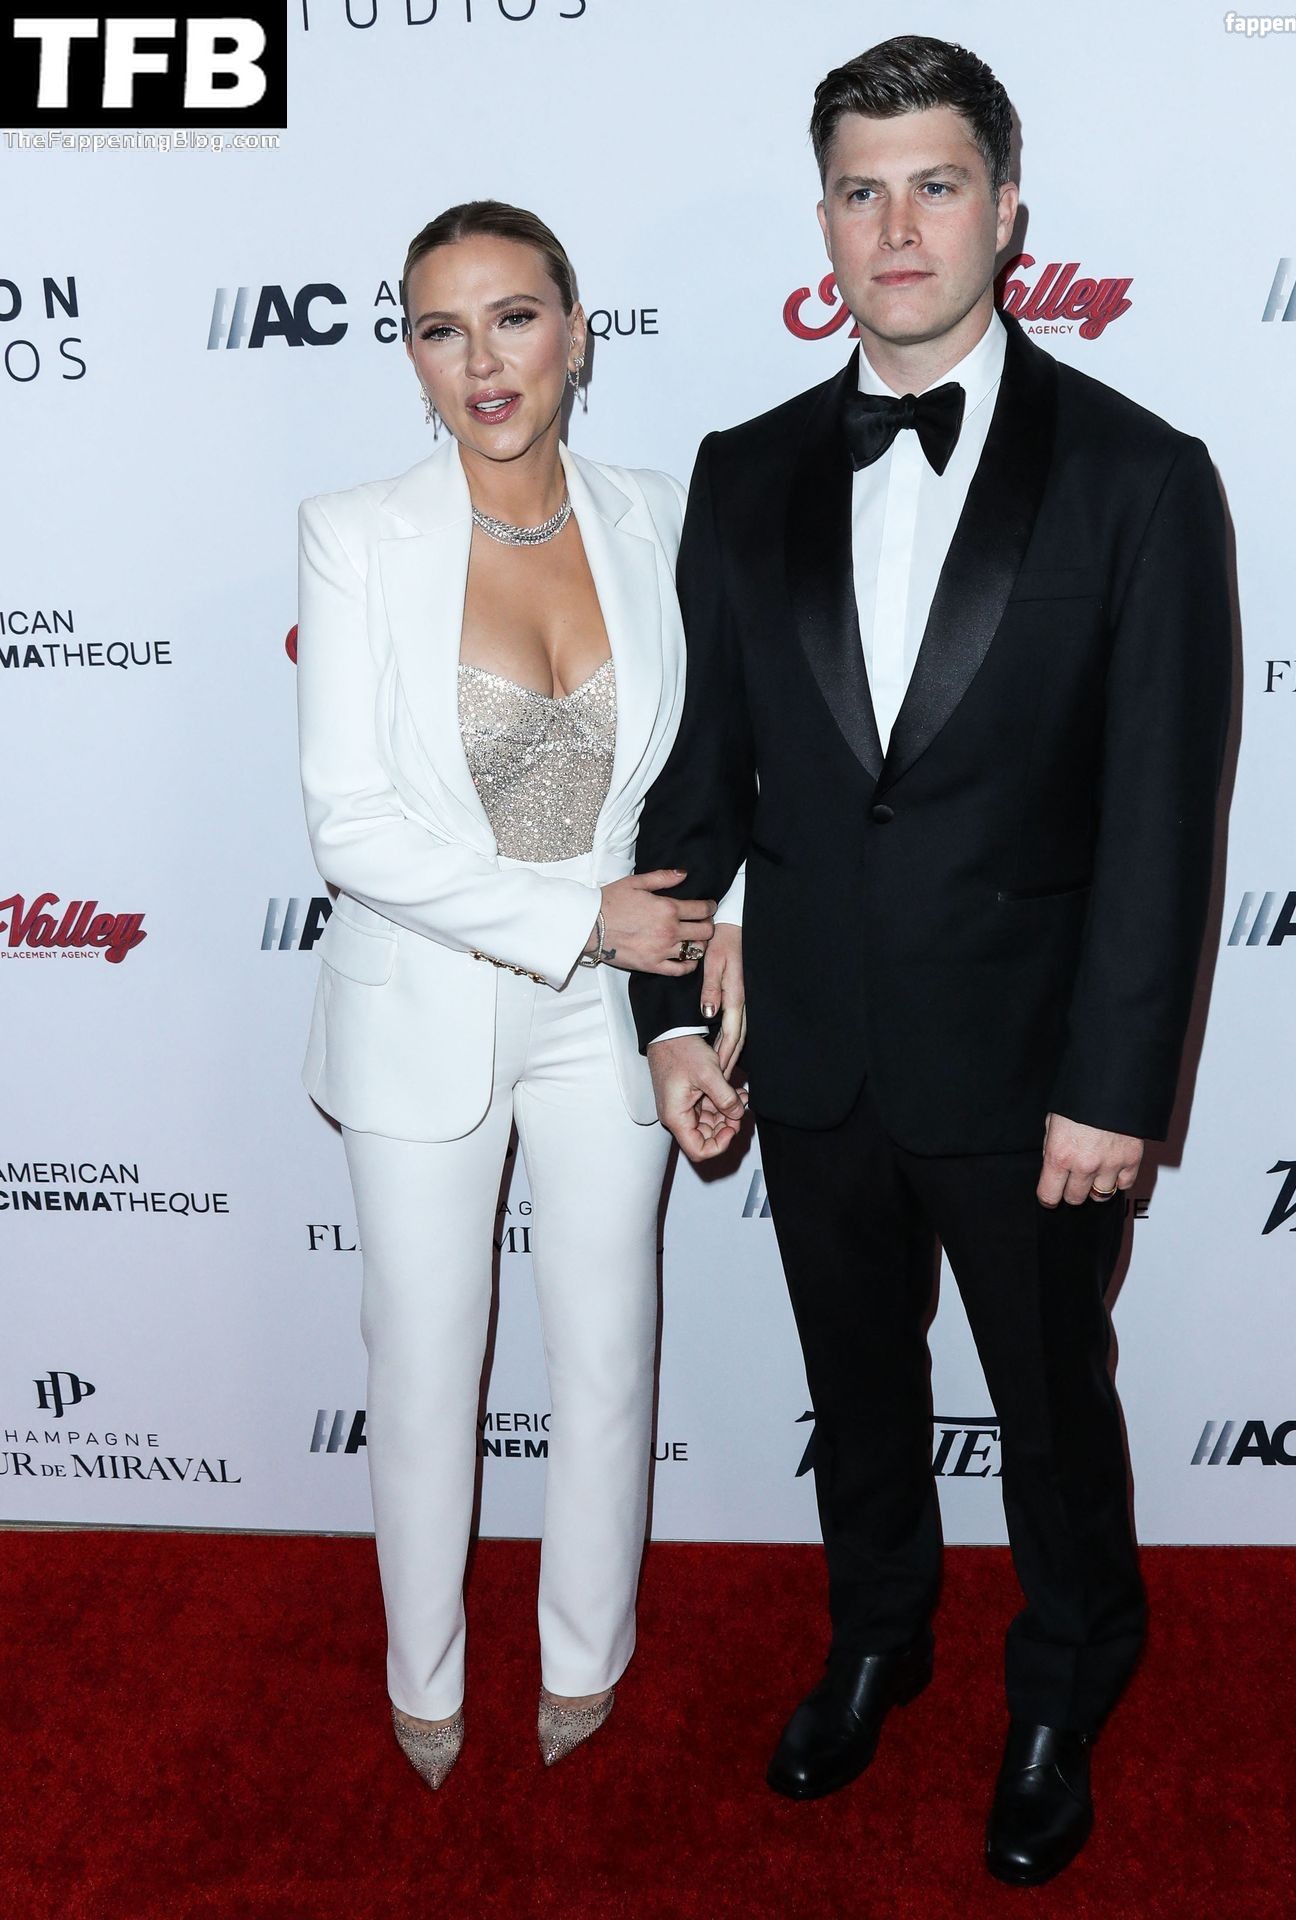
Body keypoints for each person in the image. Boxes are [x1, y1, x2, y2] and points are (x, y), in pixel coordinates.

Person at [630, 36, 1231, 1886]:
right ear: (824, 220)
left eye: (938, 185)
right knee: (860, 1393)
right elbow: (703, 776)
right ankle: (878, 1635)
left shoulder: (1140, 478)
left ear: (1007, 209)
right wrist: (669, 1017)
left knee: (1051, 1416)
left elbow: (1164, 820)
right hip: (813, 1057)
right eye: (862, 190)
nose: (898, 228)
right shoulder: (743, 473)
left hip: (1035, 1080)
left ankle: (1065, 1683)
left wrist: (1113, 1088)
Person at [295, 199, 742, 1789]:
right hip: (425, 1000)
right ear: (413, 358)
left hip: (611, 1012)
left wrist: (710, 947)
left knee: (611, 1346)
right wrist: (583, 919)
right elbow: (351, 828)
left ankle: (584, 1655)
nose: (483, 361)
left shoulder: (659, 515)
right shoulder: (358, 533)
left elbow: (719, 769)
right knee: (425, 1363)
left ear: (576, 332)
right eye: (442, 328)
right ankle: (424, 1676)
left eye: (513, 316)